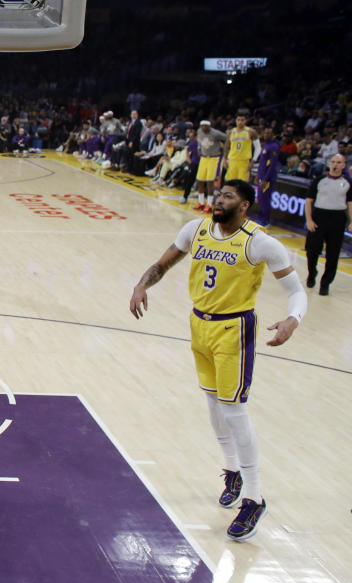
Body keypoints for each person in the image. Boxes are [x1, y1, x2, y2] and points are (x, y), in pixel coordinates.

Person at [129, 179, 308, 542]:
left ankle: (254, 496)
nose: (219, 199)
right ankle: (232, 471)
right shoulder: (196, 229)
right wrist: (141, 284)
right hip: (199, 324)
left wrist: (292, 319)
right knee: (213, 402)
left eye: (228, 196)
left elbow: (296, 292)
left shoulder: (261, 243)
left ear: (244, 205)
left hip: (234, 330)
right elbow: (162, 265)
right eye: (218, 194)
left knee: (235, 409)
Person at [304, 154, 352, 296]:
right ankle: (312, 273)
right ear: (329, 163)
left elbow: (350, 204)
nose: (335, 164)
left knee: (333, 253)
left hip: (337, 219)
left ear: (344, 165)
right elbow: (308, 201)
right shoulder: (319, 180)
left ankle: (325, 283)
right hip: (319, 217)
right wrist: (309, 220)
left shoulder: (348, 183)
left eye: (339, 162)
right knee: (312, 250)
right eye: (333, 162)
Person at [193, 120, 227, 213]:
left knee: (210, 182)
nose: (203, 128)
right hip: (203, 158)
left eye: (205, 126)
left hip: (214, 159)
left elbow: (227, 139)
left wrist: (224, 151)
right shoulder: (199, 132)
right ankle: (201, 202)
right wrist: (199, 148)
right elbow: (199, 141)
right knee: (199, 180)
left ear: (209, 126)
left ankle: (209, 205)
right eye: (202, 126)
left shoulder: (216, 133)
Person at [223, 111, 259, 183]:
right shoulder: (230, 132)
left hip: (244, 161)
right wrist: (224, 159)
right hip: (232, 160)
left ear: (245, 121)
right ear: (236, 121)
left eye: (242, 120)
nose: (240, 122)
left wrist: (253, 161)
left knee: (242, 184)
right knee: (230, 183)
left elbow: (258, 148)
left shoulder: (251, 132)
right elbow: (226, 147)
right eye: (238, 120)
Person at [255, 128, 281, 225]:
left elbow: (272, 164)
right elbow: (262, 163)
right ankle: (261, 217)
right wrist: (258, 175)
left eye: (268, 133)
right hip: (262, 176)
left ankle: (265, 220)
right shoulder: (266, 144)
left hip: (268, 178)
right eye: (265, 132)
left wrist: (265, 179)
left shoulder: (274, 146)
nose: (266, 134)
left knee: (265, 198)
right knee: (260, 198)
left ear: (273, 134)